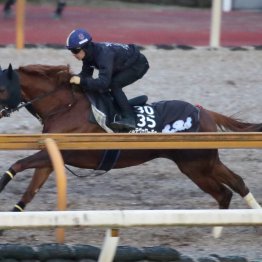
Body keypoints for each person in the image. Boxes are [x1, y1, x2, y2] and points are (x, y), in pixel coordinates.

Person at [66, 28, 149, 131]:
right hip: (123, 64)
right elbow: (86, 76)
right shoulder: (88, 55)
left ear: (85, 48)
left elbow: (103, 82)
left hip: (138, 65)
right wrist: (70, 79)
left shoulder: (103, 55)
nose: (73, 54)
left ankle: (129, 118)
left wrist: (81, 81)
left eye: (75, 50)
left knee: (114, 85)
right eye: (71, 51)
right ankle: (124, 105)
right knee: (100, 87)